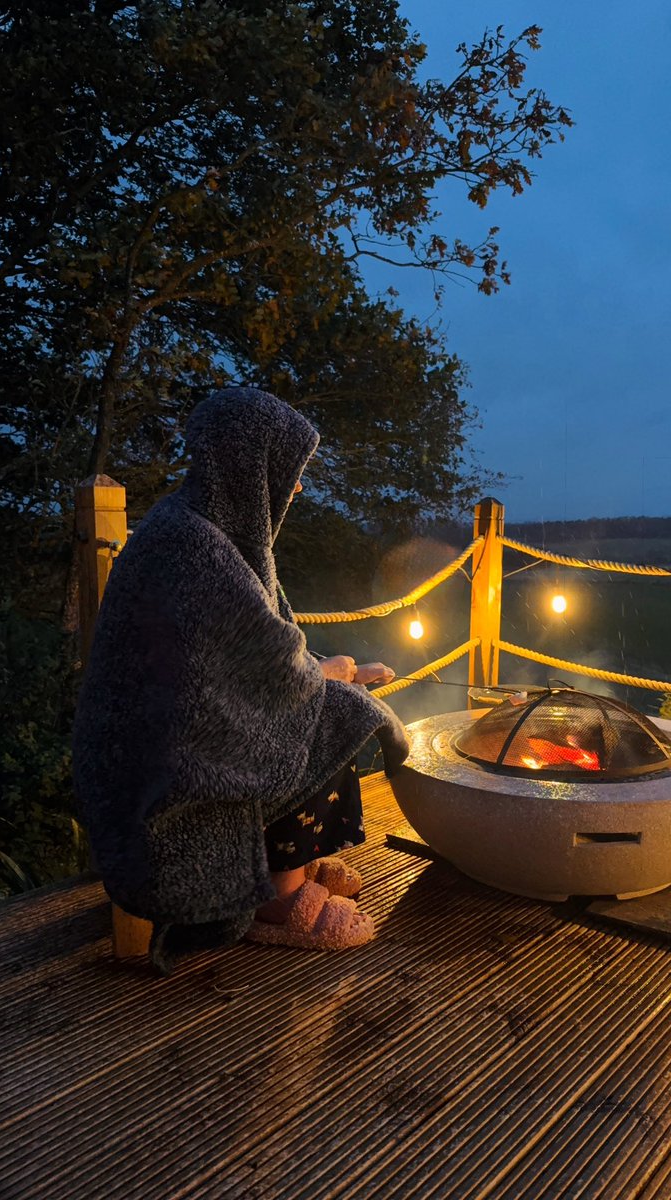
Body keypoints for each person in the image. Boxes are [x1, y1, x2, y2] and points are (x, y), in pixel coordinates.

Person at [72, 387, 409, 975]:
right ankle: (277, 897)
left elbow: (260, 657)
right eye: (290, 470)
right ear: (251, 466)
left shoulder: (212, 533)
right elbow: (250, 685)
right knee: (325, 714)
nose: (297, 486)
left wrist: (330, 673)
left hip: (182, 739)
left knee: (330, 703)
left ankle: (297, 862)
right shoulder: (191, 546)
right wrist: (327, 676)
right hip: (156, 767)